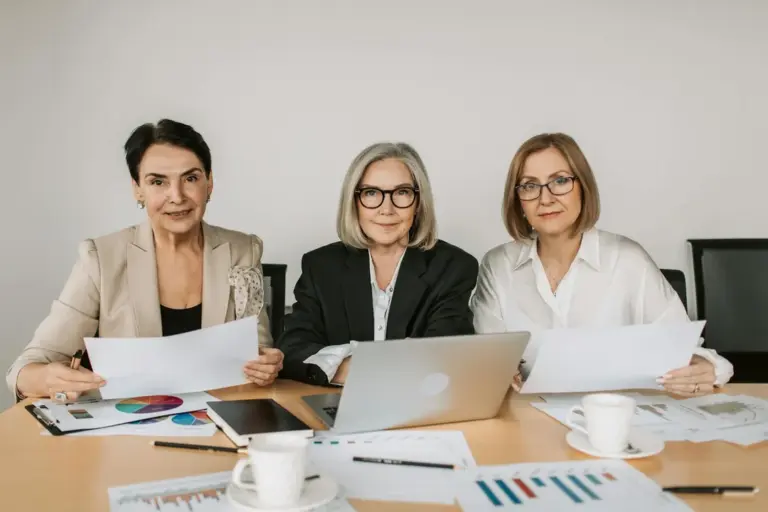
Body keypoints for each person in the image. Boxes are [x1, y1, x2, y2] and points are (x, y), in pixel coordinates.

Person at [6, 119, 283, 401]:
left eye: (190, 178)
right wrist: (47, 379)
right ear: (138, 189)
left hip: (219, 423)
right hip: (128, 428)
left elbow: (257, 349)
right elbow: (25, 370)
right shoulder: (100, 259)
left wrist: (266, 365)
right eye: (157, 182)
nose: (176, 197)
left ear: (209, 183)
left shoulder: (243, 249)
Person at [471, 132, 733, 396]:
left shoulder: (628, 260)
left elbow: (687, 352)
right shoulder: (498, 266)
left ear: (583, 187)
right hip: (528, 420)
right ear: (518, 200)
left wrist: (703, 367)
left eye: (560, 181)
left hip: (616, 419)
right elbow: (485, 360)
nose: (545, 198)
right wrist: (499, 373)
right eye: (529, 186)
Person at [276, 142, 478, 386]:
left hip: (417, 407)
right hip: (336, 406)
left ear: (418, 202)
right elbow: (293, 349)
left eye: (402, 192)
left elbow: (443, 356)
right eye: (371, 193)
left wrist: (343, 363)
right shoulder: (321, 266)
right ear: (354, 202)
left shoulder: (453, 267)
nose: (387, 209)